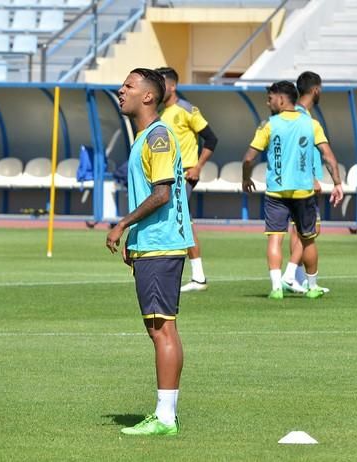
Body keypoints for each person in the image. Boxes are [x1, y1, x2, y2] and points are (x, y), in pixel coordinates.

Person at [106, 68, 194, 436]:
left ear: (148, 97)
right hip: (152, 244)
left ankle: (165, 417)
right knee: (157, 328)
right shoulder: (144, 136)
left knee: (163, 329)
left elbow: (161, 193)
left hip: (162, 245)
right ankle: (164, 413)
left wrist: (122, 223)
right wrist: (134, 236)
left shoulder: (158, 136)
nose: (120, 90)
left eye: (128, 86)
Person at [241, 81, 343, 300]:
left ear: (281, 99)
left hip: (276, 193)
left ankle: (277, 287)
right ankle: (312, 286)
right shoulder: (311, 124)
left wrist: (245, 179)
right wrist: (337, 183)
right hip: (303, 192)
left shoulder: (268, 124)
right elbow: (329, 157)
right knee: (308, 240)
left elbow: (248, 158)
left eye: (270, 98)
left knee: (275, 238)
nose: (268, 102)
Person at [155, 67, 218, 293]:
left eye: (161, 84)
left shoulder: (186, 109)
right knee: (174, 222)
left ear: (172, 86)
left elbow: (211, 139)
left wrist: (198, 166)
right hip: (167, 177)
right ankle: (190, 275)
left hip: (184, 176)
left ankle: (198, 276)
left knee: (182, 222)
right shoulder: (162, 113)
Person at [282, 71, 334, 294]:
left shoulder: (296, 115)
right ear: (316, 90)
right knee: (309, 232)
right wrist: (312, 178)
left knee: (299, 232)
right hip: (304, 183)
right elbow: (300, 152)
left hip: (292, 182)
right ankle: (292, 276)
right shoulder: (304, 119)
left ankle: (300, 280)